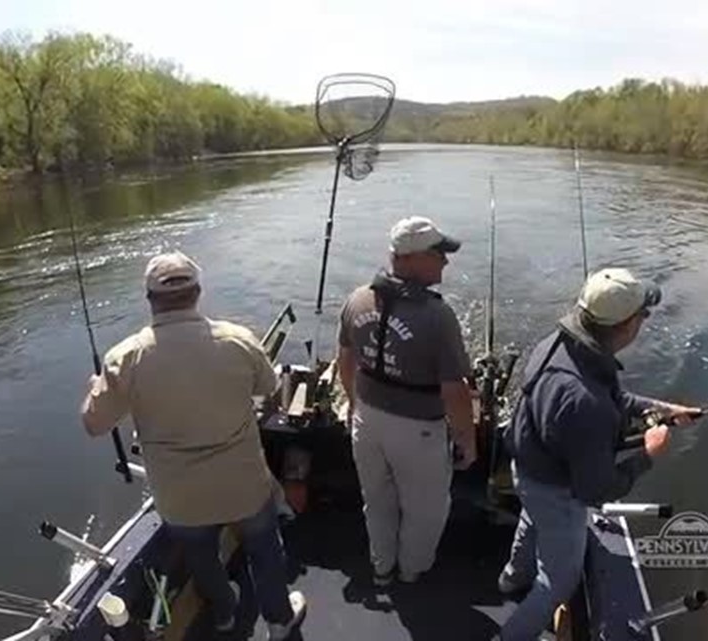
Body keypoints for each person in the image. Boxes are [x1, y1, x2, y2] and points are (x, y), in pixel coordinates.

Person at [80, 250, 306, 640]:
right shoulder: (238, 340)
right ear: (198, 292)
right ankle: (280, 623)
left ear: (149, 299)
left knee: (201, 556)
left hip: (180, 497)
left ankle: (224, 613)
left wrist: (94, 390)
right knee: (265, 552)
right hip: (244, 486)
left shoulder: (124, 358)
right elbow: (269, 389)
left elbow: (94, 425)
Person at [495, 268, 699, 641]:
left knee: (530, 522)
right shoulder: (586, 403)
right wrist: (649, 454)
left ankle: (510, 580)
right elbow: (596, 490)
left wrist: (659, 408)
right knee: (559, 582)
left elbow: (608, 399)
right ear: (626, 325)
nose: (644, 321)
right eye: (643, 315)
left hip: (525, 469)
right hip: (556, 492)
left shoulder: (557, 343)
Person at [336, 216, 478, 586]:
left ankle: (381, 567)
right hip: (419, 433)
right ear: (412, 258)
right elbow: (455, 391)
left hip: (366, 421)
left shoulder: (357, 299)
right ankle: (412, 570)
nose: (445, 261)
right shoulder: (437, 316)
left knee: (377, 500)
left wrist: (353, 406)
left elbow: (346, 361)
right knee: (426, 510)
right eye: (439, 253)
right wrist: (466, 440)